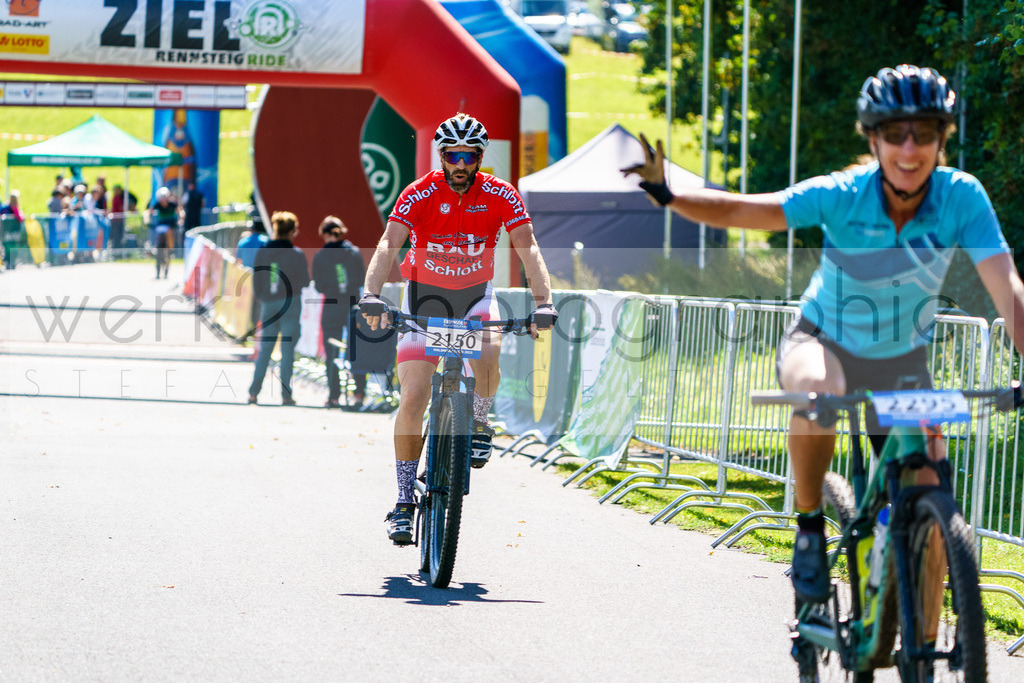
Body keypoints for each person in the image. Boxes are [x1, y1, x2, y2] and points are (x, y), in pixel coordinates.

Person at [622, 64, 1024, 605]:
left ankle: (923, 646)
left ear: (942, 138)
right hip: (822, 340)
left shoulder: (962, 198)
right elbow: (749, 209)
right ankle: (809, 527)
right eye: (894, 134)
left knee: (932, 500)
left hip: (903, 360)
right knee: (820, 396)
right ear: (873, 138)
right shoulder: (843, 193)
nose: (910, 149)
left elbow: (1008, 290)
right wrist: (670, 196)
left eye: (924, 133)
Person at [359, 113, 557, 545]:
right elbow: (388, 244)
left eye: (470, 156)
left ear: (480, 158)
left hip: (473, 299)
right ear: (442, 157)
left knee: (490, 349)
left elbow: (528, 247)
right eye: (453, 155)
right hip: (422, 301)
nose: (461, 164)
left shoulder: (501, 194)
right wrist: (371, 294)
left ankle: (480, 423)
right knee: (413, 396)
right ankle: (403, 500)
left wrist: (544, 302)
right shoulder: (420, 193)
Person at [247, 211, 310, 406]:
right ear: (292, 231)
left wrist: (264, 296)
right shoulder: (296, 254)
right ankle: (285, 394)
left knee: (265, 349)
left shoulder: (264, 251)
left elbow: (256, 278)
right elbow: (305, 281)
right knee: (287, 351)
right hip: (290, 303)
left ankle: (253, 392)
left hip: (269, 303)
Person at [311, 216, 367, 409]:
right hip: (352, 304)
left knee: (331, 350)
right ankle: (359, 393)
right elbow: (361, 279)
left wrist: (332, 287)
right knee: (357, 348)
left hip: (332, 305)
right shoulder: (353, 253)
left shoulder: (320, 256)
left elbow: (318, 286)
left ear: (326, 235)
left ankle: (333, 396)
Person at [147, 186, 180, 279]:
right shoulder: (157, 204)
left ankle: (170, 249)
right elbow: (149, 211)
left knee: (169, 232)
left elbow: (180, 212)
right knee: (158, 236)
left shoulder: (172, 204)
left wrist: (181, 219)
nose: (163, 201)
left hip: (170, 225)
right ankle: (156, 248)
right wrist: (147, 219)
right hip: (161, 226)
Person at [1, 190, 25, 271]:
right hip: (12, 231)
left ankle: (9, 262)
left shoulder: (6, 207)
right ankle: (11, 263)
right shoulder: (14, 208)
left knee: (8, 247)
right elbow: (20, 218)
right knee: (12, 247)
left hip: (7, 231)